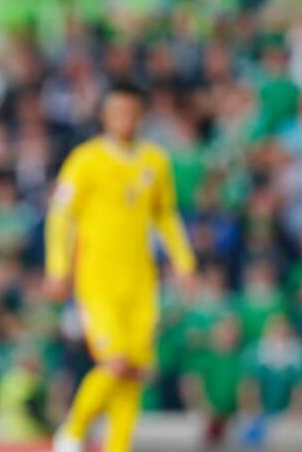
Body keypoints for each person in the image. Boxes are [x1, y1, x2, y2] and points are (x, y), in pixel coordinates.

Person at [45, 81, 197, 452]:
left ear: (140, 115)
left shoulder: (155, 161)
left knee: (135, 371)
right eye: (116, 112)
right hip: (97, 279)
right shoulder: (86, 160)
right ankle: (74, 432)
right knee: (115, 363)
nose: (124, 120)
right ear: (104, 116)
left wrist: (183, 261)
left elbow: (165, 215)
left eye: (130, 112)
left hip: (141, 281)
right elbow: (61, 216)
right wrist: (58, 267)